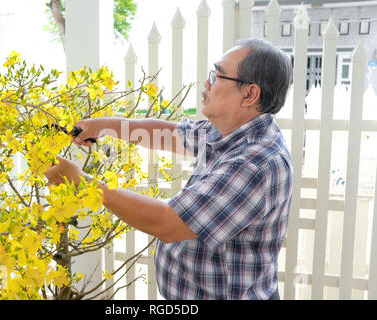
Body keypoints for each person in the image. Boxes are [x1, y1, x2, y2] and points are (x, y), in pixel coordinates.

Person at [45, 38, 294, 300]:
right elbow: (170, 135)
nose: (207, 83)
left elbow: (168, 222)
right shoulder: (230, 132)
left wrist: (82, 183)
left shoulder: (256, 163)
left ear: (250, 94)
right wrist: (105, 125)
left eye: (217, 76)